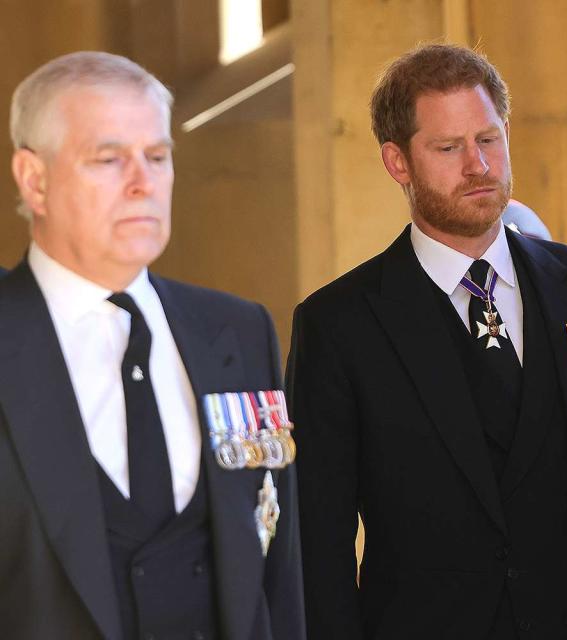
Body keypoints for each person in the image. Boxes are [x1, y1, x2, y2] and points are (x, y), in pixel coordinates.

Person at [289, 43, 567, 638]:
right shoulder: (338, 325)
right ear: (397, 162)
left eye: (487, 139)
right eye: (449, 148)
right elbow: (316, 545)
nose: (477, 165)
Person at [0, 52, 305, 640]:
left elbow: (279, 570)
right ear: (34, 180)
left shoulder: (238, 331)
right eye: (109, 159)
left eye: (158, 157)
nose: (143, 182)